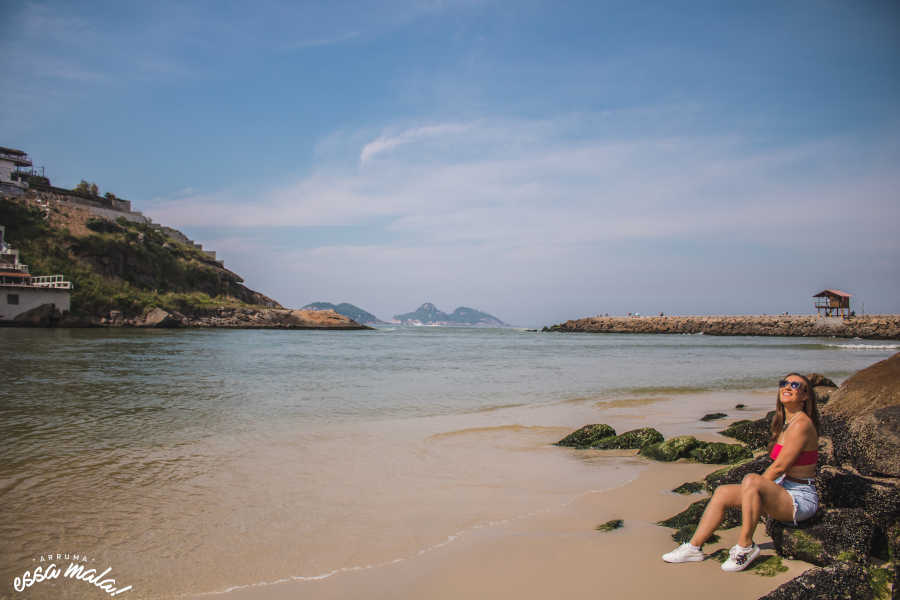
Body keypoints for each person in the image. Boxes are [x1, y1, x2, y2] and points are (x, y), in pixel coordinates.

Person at [661, 373, 820, 571]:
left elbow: (780, 467)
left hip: (799, 498)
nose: (787, 387)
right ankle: (693, 548)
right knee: (723, 493)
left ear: (805, 396)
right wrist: (753, 491)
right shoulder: (785, 422)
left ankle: (746, 547)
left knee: (751, 481)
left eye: (795, 385)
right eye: (784, 383)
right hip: (781, 491)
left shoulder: (802, 424)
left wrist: (753, 489)